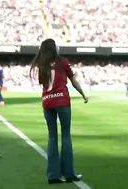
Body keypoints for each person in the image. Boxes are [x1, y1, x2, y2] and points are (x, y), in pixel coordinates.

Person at [29, 38, 88, 184]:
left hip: (47, 102)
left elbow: (43, 83)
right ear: (54, 48)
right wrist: (83, 94)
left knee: (52, 137)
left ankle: (53, 175)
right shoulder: (63, 62)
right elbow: (73, 80)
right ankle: (69, 173)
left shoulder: (41, 64)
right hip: (62, 101)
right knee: (66, 136)